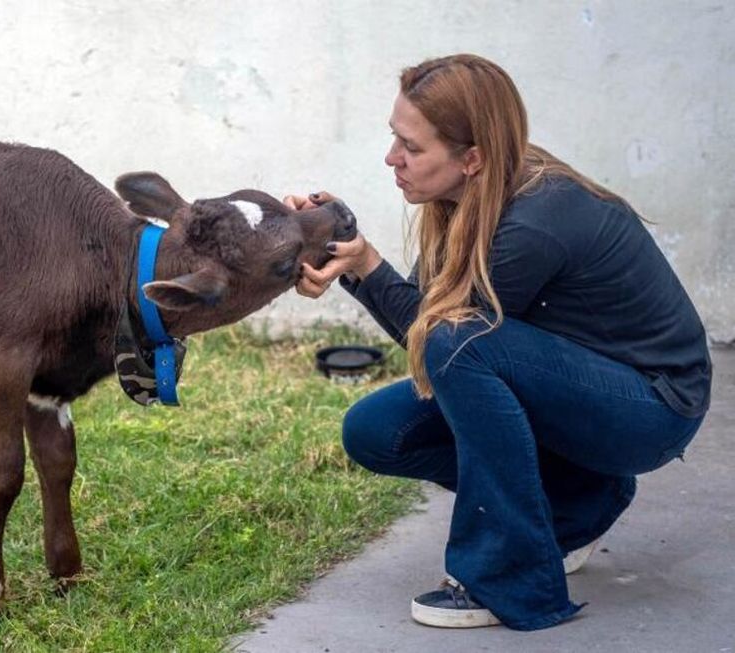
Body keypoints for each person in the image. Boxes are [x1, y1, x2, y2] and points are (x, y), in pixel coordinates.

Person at [283, 53, 711, 631]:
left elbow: (444, 339)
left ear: (472, 158)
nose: (392, 158)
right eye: (394, 138)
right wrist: (355, 260)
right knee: (376, 432)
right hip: (577, 390)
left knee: (463, 344)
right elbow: (430, 335)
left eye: (411, 147)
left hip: (649, 411)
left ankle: (509, 577)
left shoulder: (535, 219)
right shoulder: (465, 199)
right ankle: (578, 502)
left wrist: (367, 266)